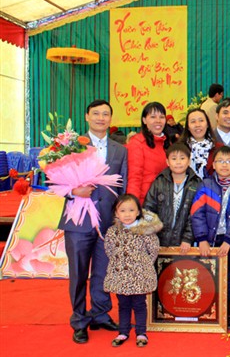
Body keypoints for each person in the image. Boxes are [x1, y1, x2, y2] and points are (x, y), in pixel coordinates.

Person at [60, 99, 127, 344]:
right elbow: (53, 180)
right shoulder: (71, 147)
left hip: (108, 222)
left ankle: (100, 313)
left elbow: (123, 185)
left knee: (103, 272)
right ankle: (79, 320)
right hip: (78, 221)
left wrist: (122, 218)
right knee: (78, 273)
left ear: (111, 118)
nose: (101, 118)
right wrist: (73, 191)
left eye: (105, 114)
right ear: (87, 116)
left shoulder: (120, 150)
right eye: (96, 113)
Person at [191, 146, 230, 323]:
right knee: (207, 277)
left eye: (229, 161)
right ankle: (207, 312)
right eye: (220, 161)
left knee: (229, 278)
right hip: (209, 239)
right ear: (214, 164)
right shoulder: (205, 185)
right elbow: (197, 213)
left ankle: (228, 315)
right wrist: (201, 239)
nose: (224, 165)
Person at [104, 194, 162, 348]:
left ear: (138, 212)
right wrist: (119, 263)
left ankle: (141, 333)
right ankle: (123, 331)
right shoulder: (112, 231)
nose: (127, 214)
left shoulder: (145, 231)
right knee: (123, 304)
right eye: (122, 210)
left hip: (139, 275)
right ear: (116, 213)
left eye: (131, 210)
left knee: (139, 304)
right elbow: (109, 250)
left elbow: (153, 250)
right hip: (120, 275)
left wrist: (143, 265)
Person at [144, 143, 201, 251]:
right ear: (167, 162)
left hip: (185, 243)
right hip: (158, 240)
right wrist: (151, 233)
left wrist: (188, 238)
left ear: (189, 161)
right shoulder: (159, 182)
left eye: (182, 158)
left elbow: (197, 214)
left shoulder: (197, 184)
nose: (178, 162)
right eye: (174, 159)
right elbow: (148, 208)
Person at [127, 102, 169, 204]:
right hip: (145, 202)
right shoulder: (137, 143)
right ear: (144, 120)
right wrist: (133, 205)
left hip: (164, 202)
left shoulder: (167, 143)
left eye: (161, 117)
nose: (158, 121)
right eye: (153, 117)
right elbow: (134, 177)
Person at [180, 108, 216, 179]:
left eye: (201, 120)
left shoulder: (218, 148)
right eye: (193, 121)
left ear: (207, 124)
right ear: (188, 127)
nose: (197, 125)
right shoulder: (180, 148)